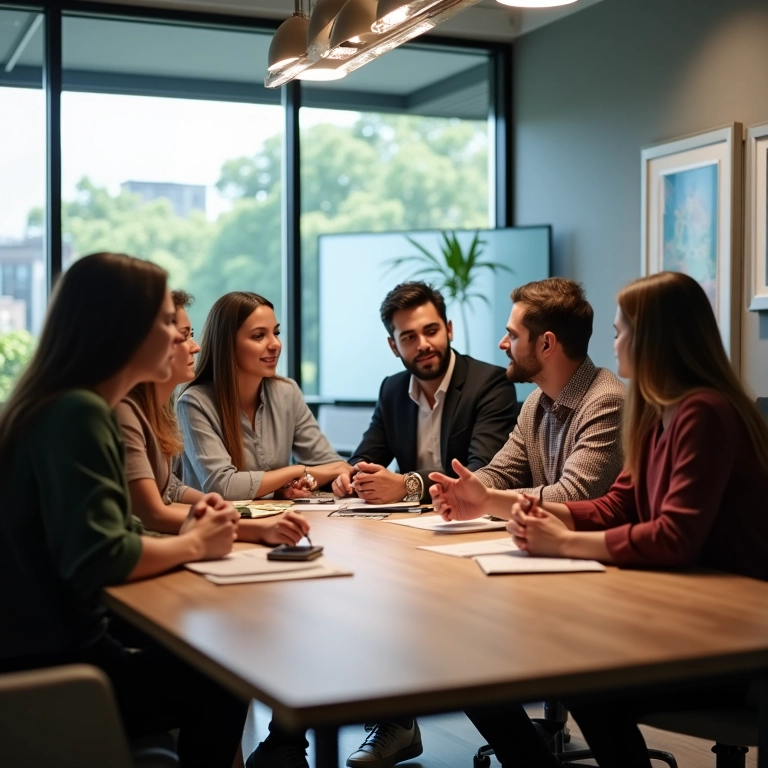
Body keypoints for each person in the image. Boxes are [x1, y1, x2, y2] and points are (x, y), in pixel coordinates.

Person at [476, 271, 768, 768]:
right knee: (490, 660)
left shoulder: (704, 412)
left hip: (735, 643)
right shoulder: (659, 413)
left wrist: (562, 543)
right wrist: (547, 517)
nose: (612, 344)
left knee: (575, 674)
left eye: (619, 332)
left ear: (654, 338)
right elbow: (618, 505)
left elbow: (674, 538)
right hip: (687, 612)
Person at [0, 252, 248, 768]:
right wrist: (197, 544)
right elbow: (101, 556)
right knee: (226, 675)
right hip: (55, 666)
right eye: (165, 321)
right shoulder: (79, 412)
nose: (182, 337)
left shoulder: (55, 402)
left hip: (32, 649)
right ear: (122, 327)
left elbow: (110, 533)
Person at [337, 281, 517, 768]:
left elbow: (483, 474)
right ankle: (395, 719)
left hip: (476, 539)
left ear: (450, 328)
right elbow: (366, 454)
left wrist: (407, 485)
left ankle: (398, 721)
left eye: (431, 331)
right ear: (393, 345)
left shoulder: (490, 384)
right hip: (412, 544)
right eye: (409, 337)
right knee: (361, 595)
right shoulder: (393, 389)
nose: (423, 344)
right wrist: (351, 478)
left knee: (439, 626)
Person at [117, 290, 309, 546]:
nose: (196, 347)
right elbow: (152, 513)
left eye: (192, 335)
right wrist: (252, 527)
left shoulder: (157, 409)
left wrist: (215, 506)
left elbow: (169, 489)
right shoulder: (127, 412)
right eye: (184, 337)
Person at [430, 277, 626, 523]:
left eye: (512, 335)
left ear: (546, 344)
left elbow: (574, 497)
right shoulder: (536, 403)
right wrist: (462, 491)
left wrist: (486, 500)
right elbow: (501, 473)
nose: (502, 343)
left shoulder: (607, 402)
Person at [177, 291, 351, 501]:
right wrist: (296, 472)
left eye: (276, 333)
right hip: (215, 526)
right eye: (259, 336)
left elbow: (330, 465)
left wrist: (338, 480)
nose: (275, 344)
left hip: (278, 522)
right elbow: (223, 486)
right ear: (227, 344)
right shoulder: (194, 403)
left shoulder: (287, 392)